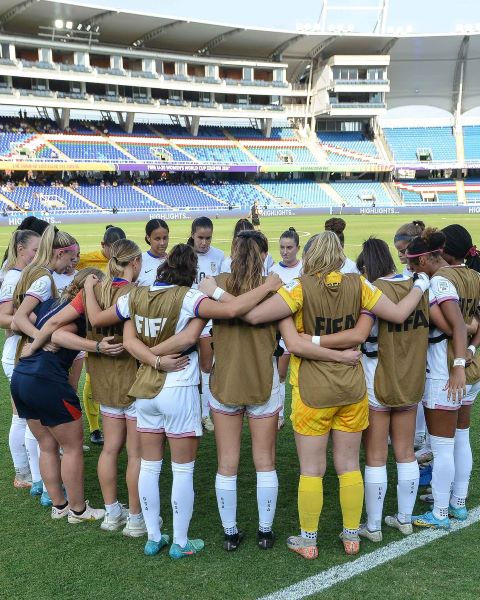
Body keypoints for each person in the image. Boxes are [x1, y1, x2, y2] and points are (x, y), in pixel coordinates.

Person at [84, 242, 282, 558]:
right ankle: (180, 541)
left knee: (149, 466)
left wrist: (88, 287)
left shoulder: (136, 294)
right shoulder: (190, 297)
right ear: (191, 273)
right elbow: (226, 315)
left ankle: (151, 535)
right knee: (182, 470)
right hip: (178, 385)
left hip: (144, 387)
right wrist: (269, 285)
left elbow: (110, 328)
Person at [239, 231, 430, 558]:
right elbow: (398, 315)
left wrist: (270, 296)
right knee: (348, 466)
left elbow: (253, 316)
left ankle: (309, 540)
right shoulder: (360, 284)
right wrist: (420, 285)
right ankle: (352, 536)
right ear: (340, 253)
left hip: (313, 388)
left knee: (311, 469)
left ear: (310, 254)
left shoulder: (298, 288)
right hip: (352, 386)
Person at [29, 240, 147, 536]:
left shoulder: (92, 291)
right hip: (132, 381)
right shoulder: (133, 293)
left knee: (109, 450)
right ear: (134, 263)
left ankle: (110, 513)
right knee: (135, 454)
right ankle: (134, 519)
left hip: (103, 382)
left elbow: (57, 323)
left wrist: (32, 345)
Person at [11, 269, 121, 523]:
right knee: (72, 448)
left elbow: (19, 321)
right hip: (47, 380)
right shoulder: (78, 313)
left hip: (22, 378)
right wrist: (97, 346)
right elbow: (59, 333)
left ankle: (59, 506)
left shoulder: (50, 303)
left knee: (47, 445)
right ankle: (78, 510)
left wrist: (35, 339)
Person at [351, 238, 429, 542]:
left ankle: (373, 526)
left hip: (378, 376)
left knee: (375, 455)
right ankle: (405, 519)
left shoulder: (372, 290)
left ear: (367, 265)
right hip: (411, 377)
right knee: (406, 452)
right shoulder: (418, 284)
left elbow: (365, 334)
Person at [407, 227, 480, 529]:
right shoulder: (475, 276)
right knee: (461, 437)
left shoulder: (439, 280)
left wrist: (459, 363)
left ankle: (439, 512)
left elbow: (455, 328)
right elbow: (472, 324)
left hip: (446, 373)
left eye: (412, 263)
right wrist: (473, 346)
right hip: (470, 372)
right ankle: (457, 503)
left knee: (442, 446)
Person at [77, 225, 126, 446]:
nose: (115, 255)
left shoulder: (125, 264)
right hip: (94, 327)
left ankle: (118, 418)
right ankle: (95, 426)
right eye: (111, 250)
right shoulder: (86, 260)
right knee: (92, 377)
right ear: (103, 246)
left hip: (117, 323)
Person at [0, 229, 40, 489]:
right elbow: (3, 317)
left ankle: (31, 470)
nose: (38, 255)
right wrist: (32, 321)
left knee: (28, 416)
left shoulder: (26, 275)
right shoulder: (14, 278)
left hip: (24, 352)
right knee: (21, 417)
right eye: (35, 251)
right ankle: (23, 473)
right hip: (17, 354)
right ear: (20, 250)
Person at [187, 216, 224, 433]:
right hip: (186, 319)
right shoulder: (183, 253)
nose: (204, 242)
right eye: (200, 237)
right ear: (192, 235)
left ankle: (204, 414)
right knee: (188, 367)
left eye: (208, 238)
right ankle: (191, 411)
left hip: (209, 320)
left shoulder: (218, 256)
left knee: (207, 366)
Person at [270, 228, 302, 429]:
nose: (285, 251)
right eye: (282, 247)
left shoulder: (305, 269)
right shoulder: (273, 270)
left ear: (297, 248)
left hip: (301, 331)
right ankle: (279, 414)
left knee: (302, 376)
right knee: (280, 374)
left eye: (289, 247)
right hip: (280, 332)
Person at [137, 219, 169, 286]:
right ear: (148, 238)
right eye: (157, 239)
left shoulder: (175, 261)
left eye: (165, 238)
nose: (162, 243)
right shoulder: (139, 261)